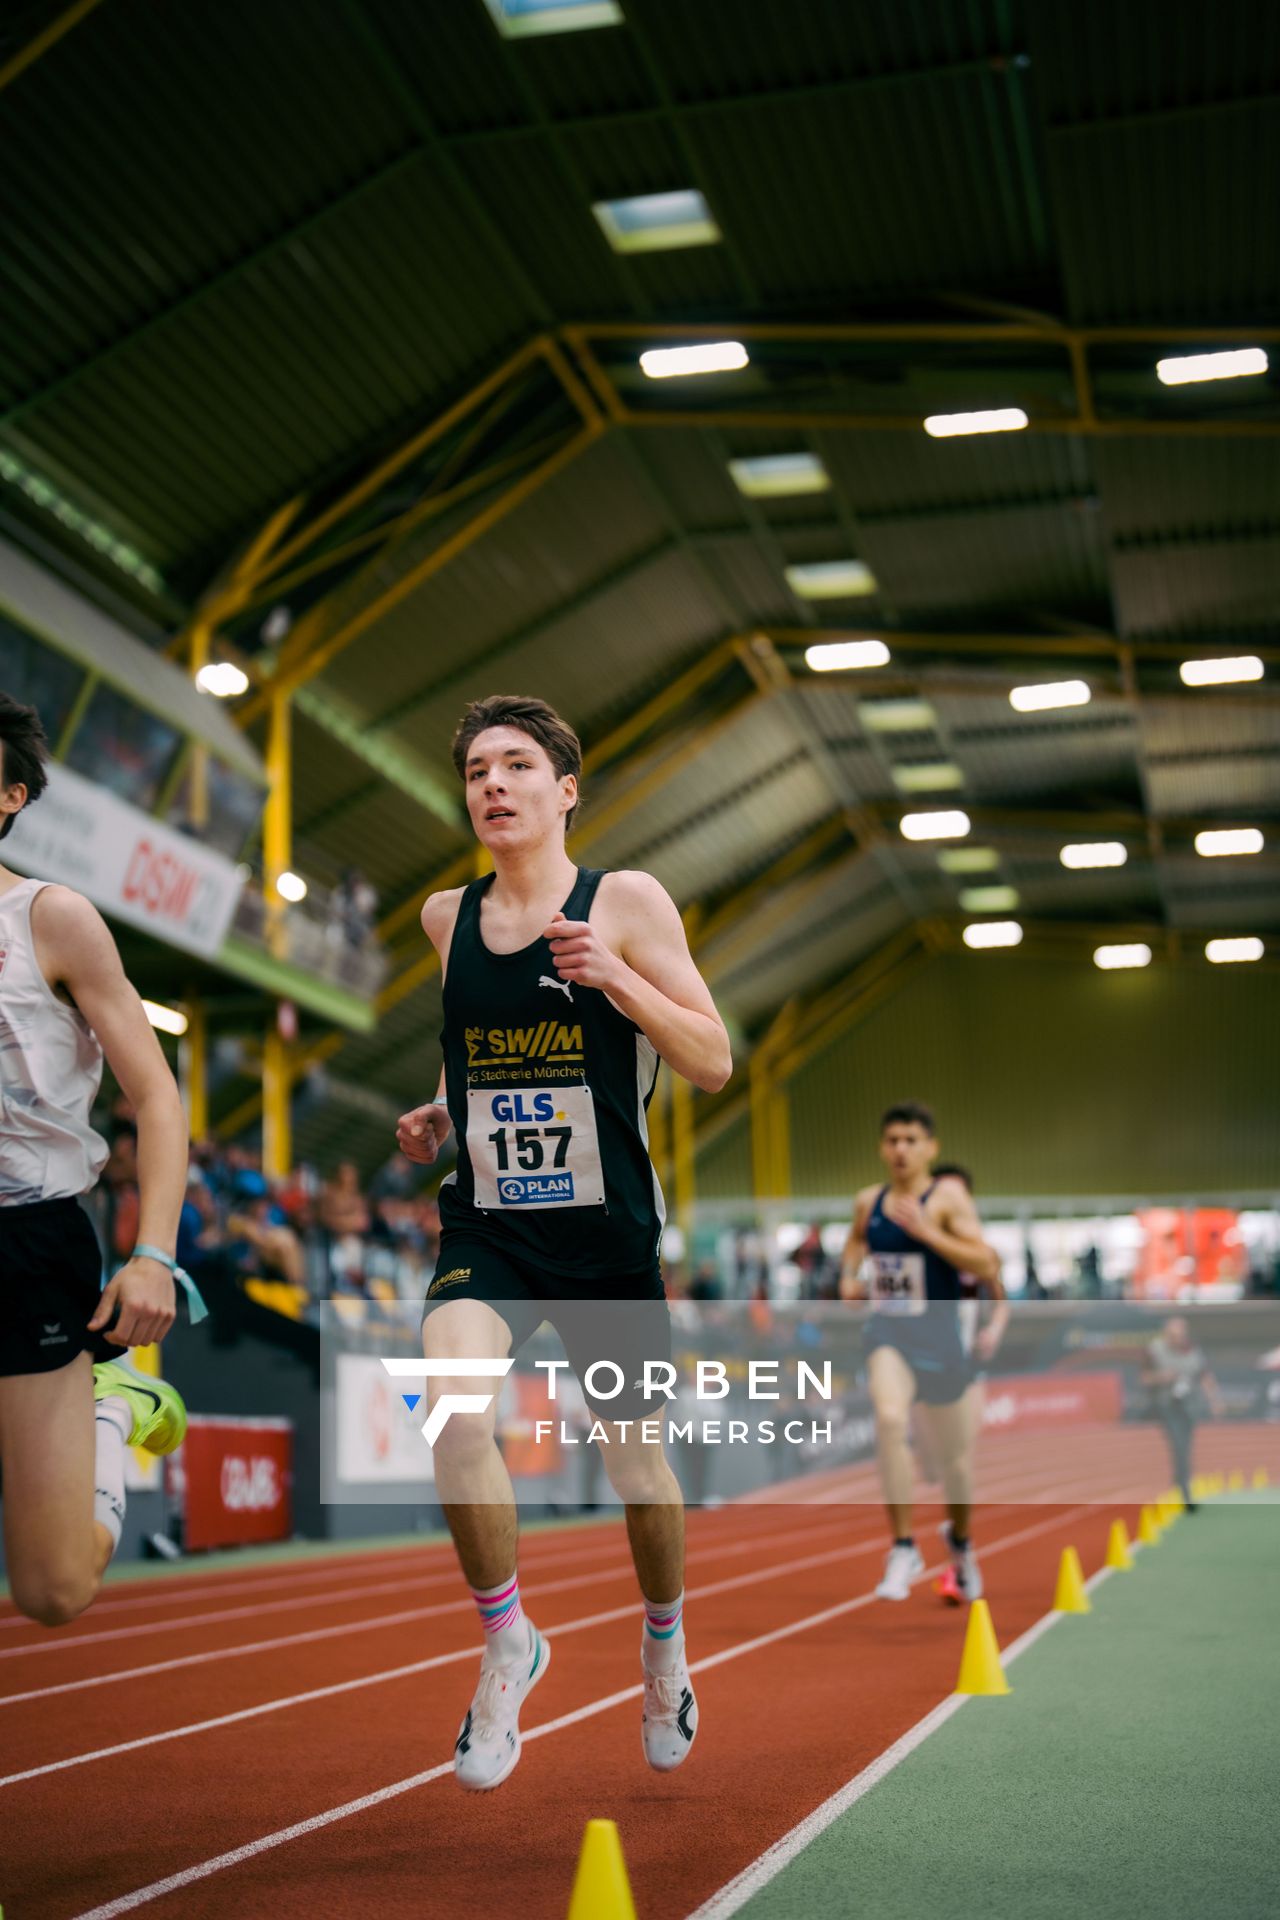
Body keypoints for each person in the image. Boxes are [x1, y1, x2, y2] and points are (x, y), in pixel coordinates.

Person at [396, 693, 731, 1791]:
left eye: (516, 766)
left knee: (637, 1469)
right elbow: (476, 1049)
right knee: (451, 1411)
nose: (492, 785)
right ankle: (508, 1644)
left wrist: (615, 975)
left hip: (605, 1243)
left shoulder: (623, 901)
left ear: (565, 789)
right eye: (476, 770)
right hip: (488, 1225)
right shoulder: (445, 919)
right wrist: (442, 1106)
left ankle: (664, 1647)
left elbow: (712, 1061)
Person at [0, 693, 192, 1625]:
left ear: (9, 797)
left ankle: (112, 1407)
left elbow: (155, 1098)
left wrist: (152, 1254)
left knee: (51, 1589)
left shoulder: (53, 919)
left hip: (28, 1245)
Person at [840, 1103, 1004, 1604]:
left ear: (930, 1147)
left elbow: (987, 1261)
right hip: (889, 1334)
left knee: (954, 1464)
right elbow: (853, 1247)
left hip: (941, 1341)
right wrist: (850, 1282)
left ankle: (960, 1542)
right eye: (892, 1140)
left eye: (911, 1140)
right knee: (890, 1420)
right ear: (881, 1148)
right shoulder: (869, 1201)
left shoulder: (948, 1197)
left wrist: (928, 1233)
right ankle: (904, 1546)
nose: (900, 1149)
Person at [1142, 1314, 1223, 1511]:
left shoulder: (1194, 1351)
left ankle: (1179, 1480)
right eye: (1172, 1335)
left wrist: (1215, 1400)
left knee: (1185, 1447)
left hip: (1189, 1405)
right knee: (1178, 1446)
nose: (1176, 1339)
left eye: (1179, 1335)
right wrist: (1162, 1377)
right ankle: (1185, 1493)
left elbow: (1204, 1376)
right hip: (1167, 1406)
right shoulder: (1154, 1351)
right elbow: (1144, 1378)